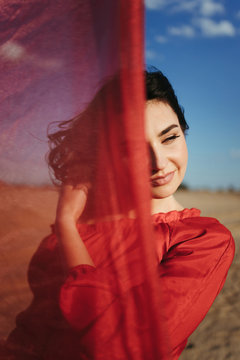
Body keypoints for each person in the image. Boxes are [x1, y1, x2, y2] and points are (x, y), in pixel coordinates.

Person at [3, 70, 235, 359]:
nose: (159, 162)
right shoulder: (85, 223)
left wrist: (66, 227)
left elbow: (125, 344)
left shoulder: (202, 240)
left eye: (169, 137)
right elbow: (33, 323)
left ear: (184, 133)